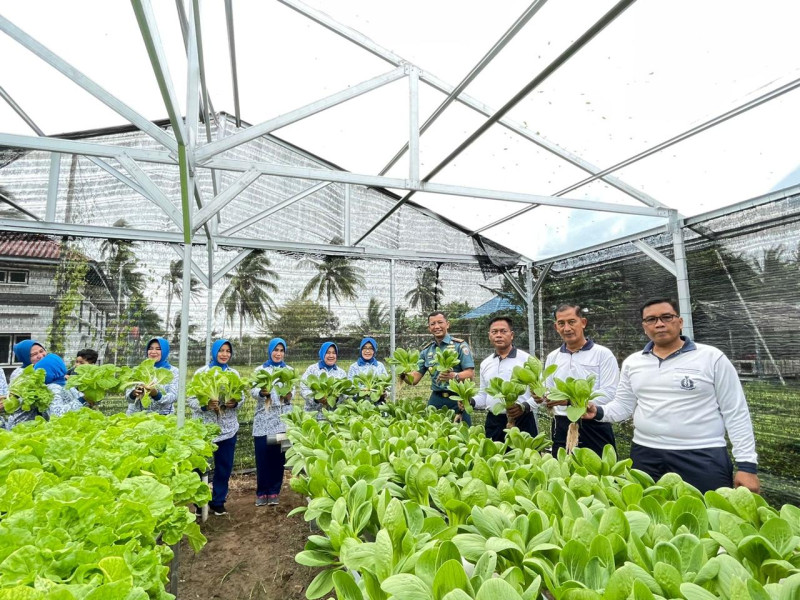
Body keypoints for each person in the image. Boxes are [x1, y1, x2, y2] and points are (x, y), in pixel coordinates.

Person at [584, 297, 760, 494]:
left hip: (701, 455)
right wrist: (597, 411)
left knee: (708, 517)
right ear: (644, 327)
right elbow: (624, 406)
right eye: (651, 320)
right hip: (645, 454)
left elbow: (735, 412)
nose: (659, 324)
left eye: (666, 317)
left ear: (680, 321)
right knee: (648, 514)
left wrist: (747, 466)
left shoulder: (712, 358)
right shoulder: (633, 362)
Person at [542, 304, 619, 457]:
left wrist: (570, 401)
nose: (567, 328)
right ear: (556, 327)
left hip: (594, 422)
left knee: (599, 474)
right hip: (562, 423)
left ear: (583, 322)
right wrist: (543, 397)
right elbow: (548, 390)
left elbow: (610, 393)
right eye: (561, 323)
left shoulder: (603, 354)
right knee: (563, 472)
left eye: (572, 322)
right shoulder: (553, 357)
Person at [189, 339, 243, 516]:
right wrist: (206, 405)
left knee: (224, 466)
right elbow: (190, 399)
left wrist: (233, 402)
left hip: (227, 429)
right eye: (221, 350)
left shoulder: (234, 373)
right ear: (214, 352)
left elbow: (241, 398)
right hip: (203, 430)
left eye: (228, 351)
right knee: (200, 468)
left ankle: (218, 501)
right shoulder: (201, 372)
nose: (224, 354)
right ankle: (199, 503)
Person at [403, 311, 475, 425]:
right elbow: (415, 379)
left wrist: (454, 376)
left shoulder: (460, 345)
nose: (436, 326)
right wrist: (403, 373)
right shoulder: (427, 351)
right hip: (436, 399)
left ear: (447, 324)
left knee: (461, 434)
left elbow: (470, 374)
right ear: (429, 328)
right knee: (432, 432)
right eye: (433, 324)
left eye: (440, 322)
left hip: (457, 399)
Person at [472, 316, 537, 442]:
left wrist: (524, 407)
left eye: (503, 331)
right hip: (494, 422)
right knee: (494, 459)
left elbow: (541, 394)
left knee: (525, 459)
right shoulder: (485, 363)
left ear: (512, 335)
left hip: (522, 420)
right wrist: (470, 402)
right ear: (489, 336)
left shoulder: (527, 360)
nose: (499, 335)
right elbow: (484, 396)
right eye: (494, 332)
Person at [251, 337, 295, 507]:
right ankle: (262, 492)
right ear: (270, 351)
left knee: (279, 458)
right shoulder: (261, 369)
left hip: (282, 422)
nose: (278, 353)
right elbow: (253, 390)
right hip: (264, 420)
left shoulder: (289, 370)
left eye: (281, 350)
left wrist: (288, 395)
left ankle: (275, 491)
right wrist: (263, 393)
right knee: (263, 458)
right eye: (275, 350)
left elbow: (293, 392)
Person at [0, 354, 82, 429]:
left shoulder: (59, 387)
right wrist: (83, 400)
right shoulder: (60, 387)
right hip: (65, 428)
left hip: (59, 428)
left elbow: (57, 414)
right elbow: (58, 413)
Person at [126, 337, 179, 415]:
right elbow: (128, 398)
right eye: (150, 348)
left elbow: (173, 397)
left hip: (162, 416)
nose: (153, 352)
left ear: (165, 351)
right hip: (136, 416)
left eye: (158, 349)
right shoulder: (138, 369)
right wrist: (133, 393)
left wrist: (156, 395)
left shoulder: (173, 371)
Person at [301, 341, 347, 420]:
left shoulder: (341, 372)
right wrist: (316, 399)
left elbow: (346, 393)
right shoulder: (312, 369)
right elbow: (304, 389)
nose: (331, 356)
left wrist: (335, 399)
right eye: (328, 353)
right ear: (322, 353)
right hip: (313, 416)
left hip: (333, 417)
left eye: (334, 353)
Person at [347, 337, 390, 402]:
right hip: (359, 404)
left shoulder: (380, 366)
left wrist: (384, 393)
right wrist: (361, 392)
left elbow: (388, 387)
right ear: (361, 350)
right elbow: (349, 388)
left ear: (374, 351)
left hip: (378, 403)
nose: (367, 351)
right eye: (364, 348)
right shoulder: (354, 367)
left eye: (371, 348)